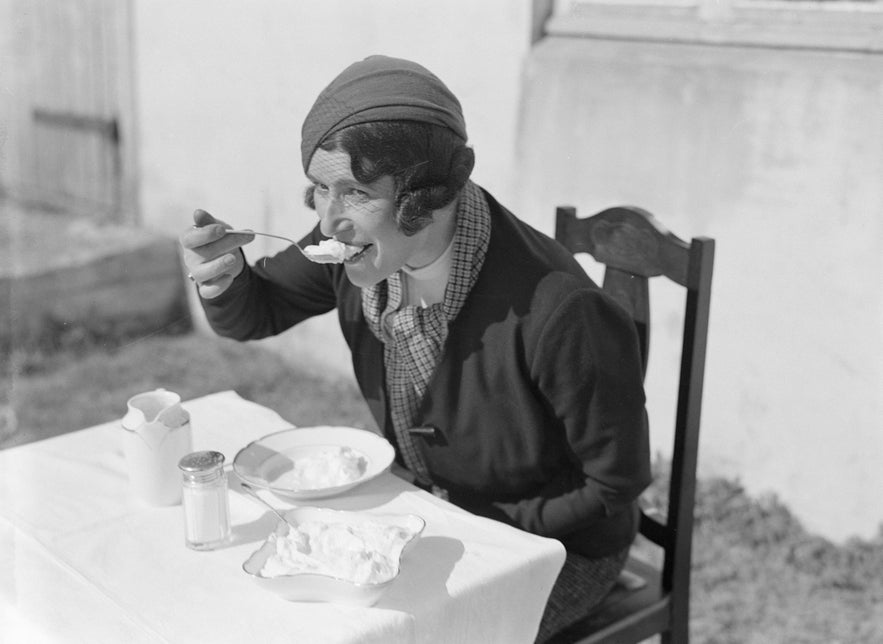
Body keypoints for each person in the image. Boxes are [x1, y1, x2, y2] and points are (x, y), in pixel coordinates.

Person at [180, 55, 651, 642]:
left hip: (550, 550)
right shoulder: (353, 241)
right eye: (320, 188)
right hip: (431, 514)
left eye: (353, 192)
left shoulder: (561, 311)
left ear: (428, 194)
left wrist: (497, 527)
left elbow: (616, 483)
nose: (329, 221)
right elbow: (259, 309)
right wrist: (223, 278)